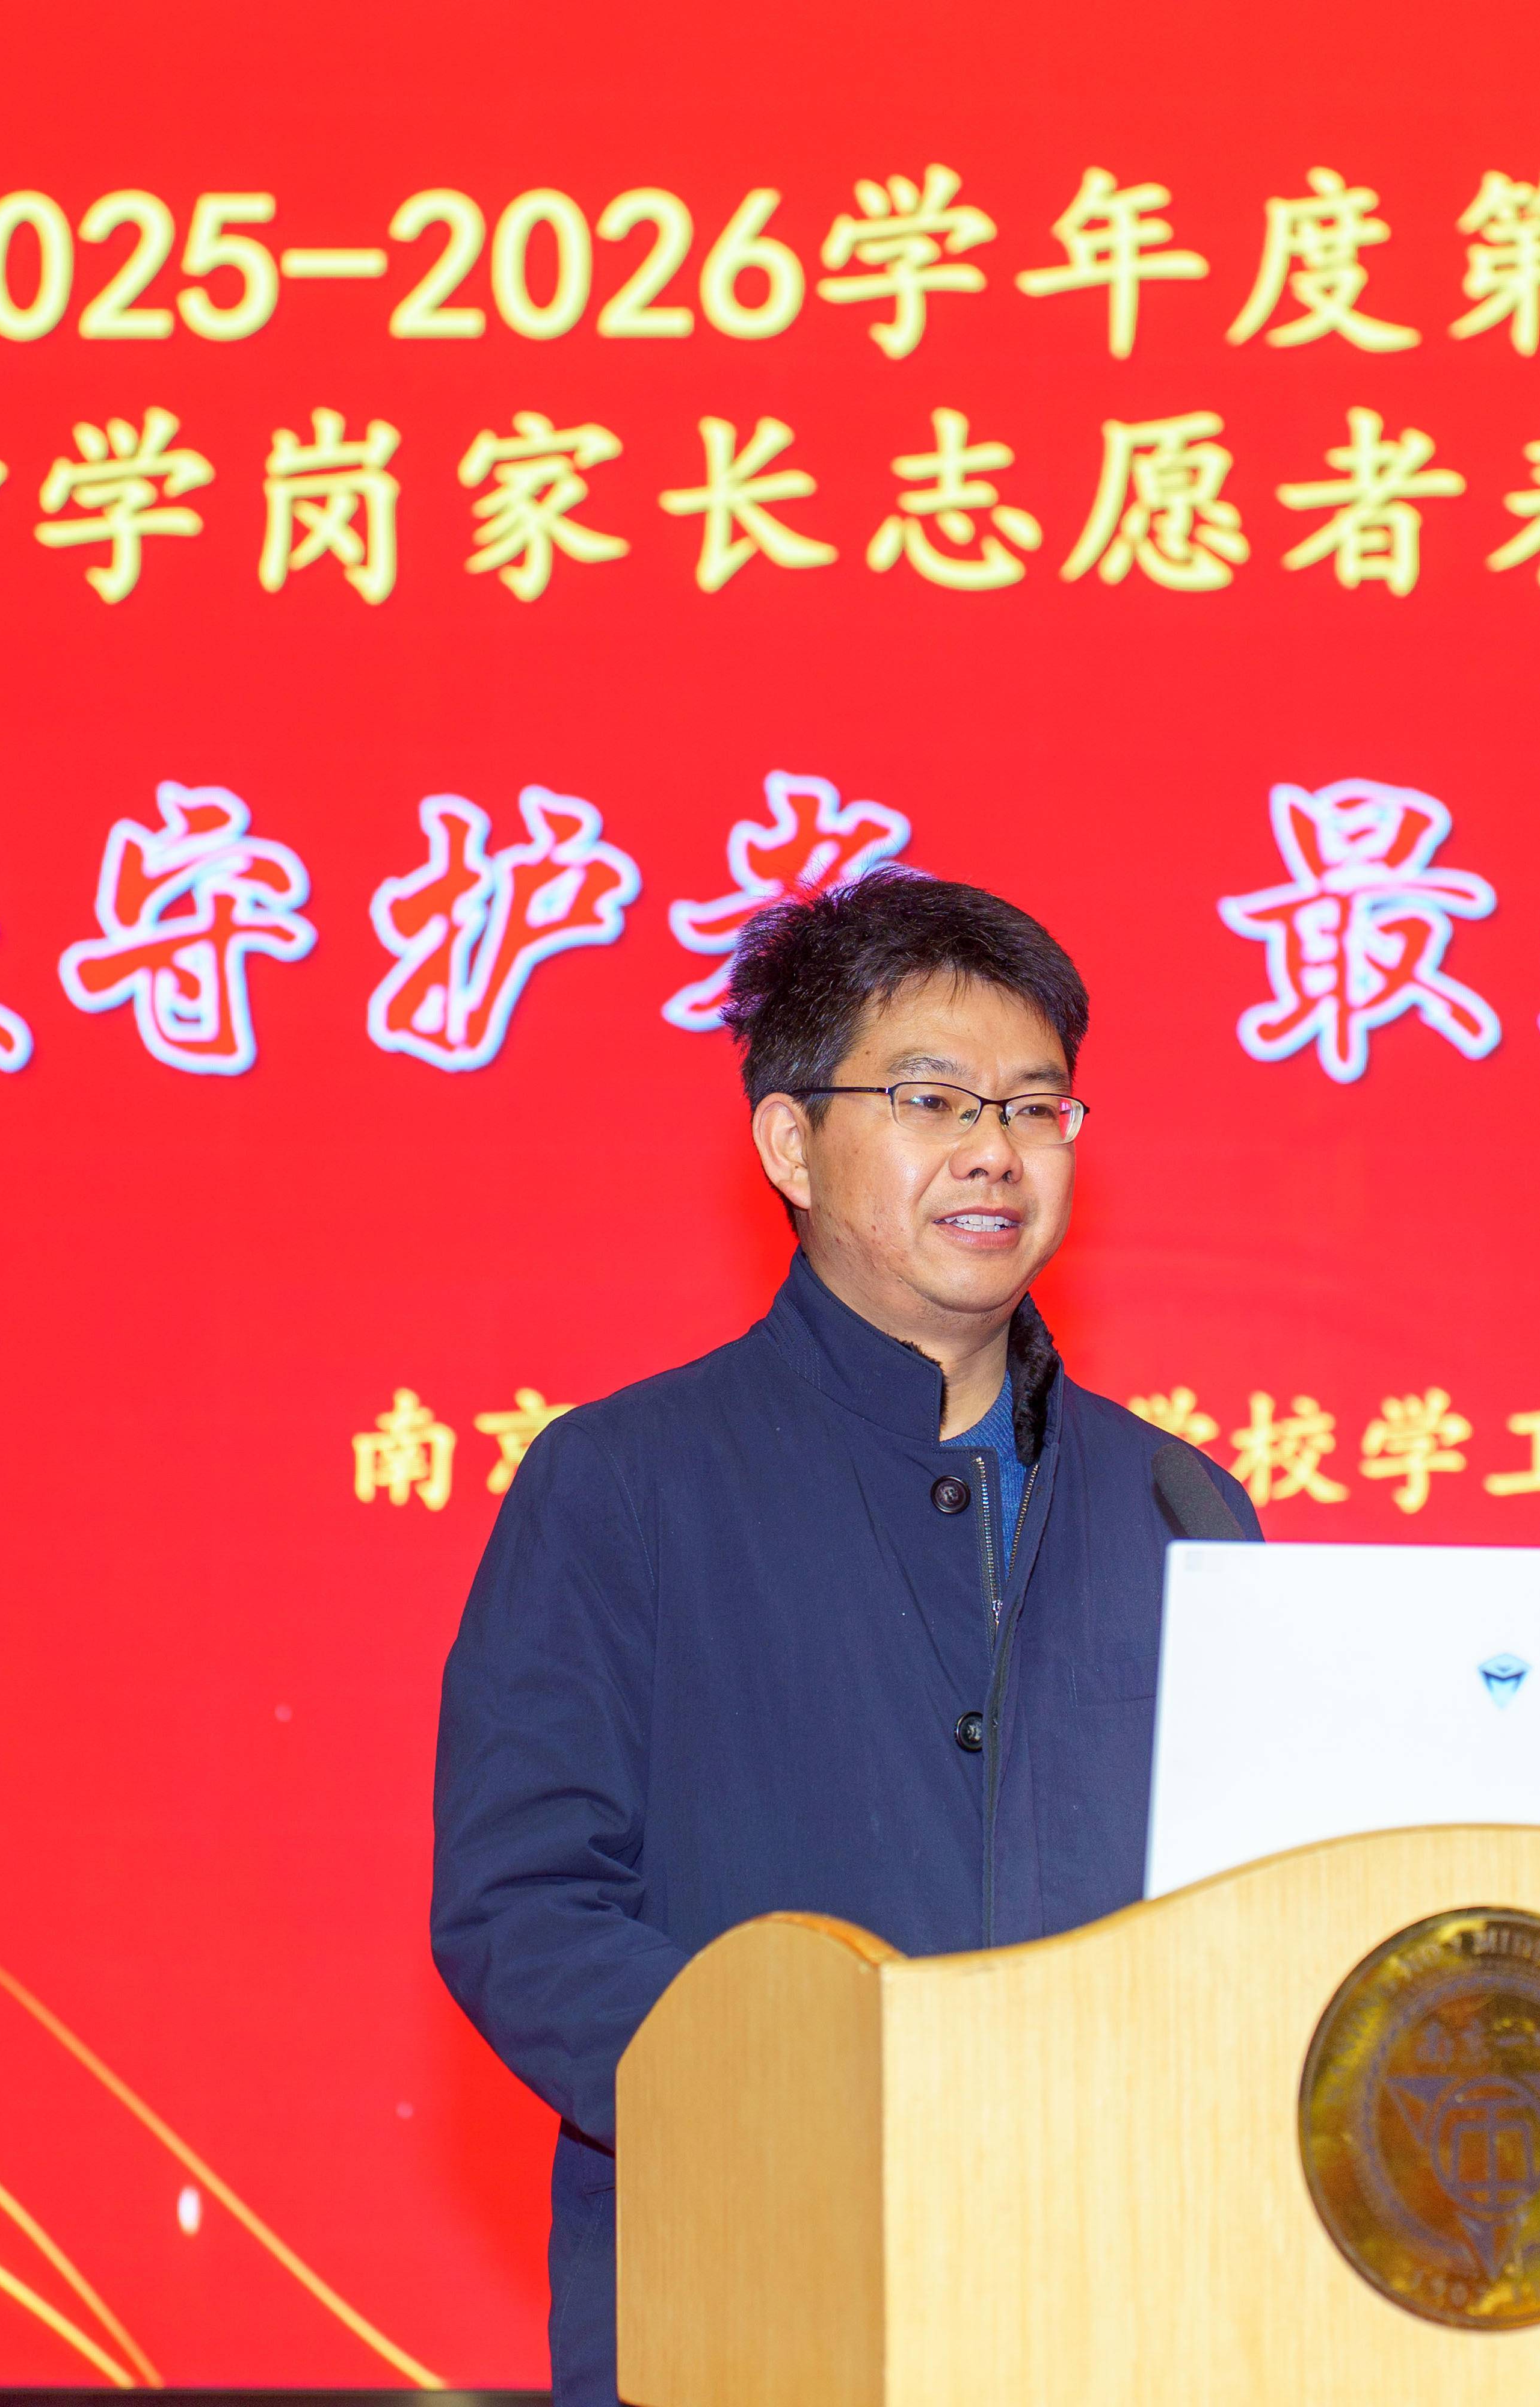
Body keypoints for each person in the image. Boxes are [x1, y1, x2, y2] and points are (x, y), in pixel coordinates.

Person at [430, 869, 1260, 2405]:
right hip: (751, 2287)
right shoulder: (627, 1480)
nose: (996, 1150)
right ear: (790, 1142)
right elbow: (524, 1905)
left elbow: (1250, 1921)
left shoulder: (1180, 1504)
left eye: (1036, 1106)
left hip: (1110, 2305)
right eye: (933, 1100)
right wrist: (817, 2093)